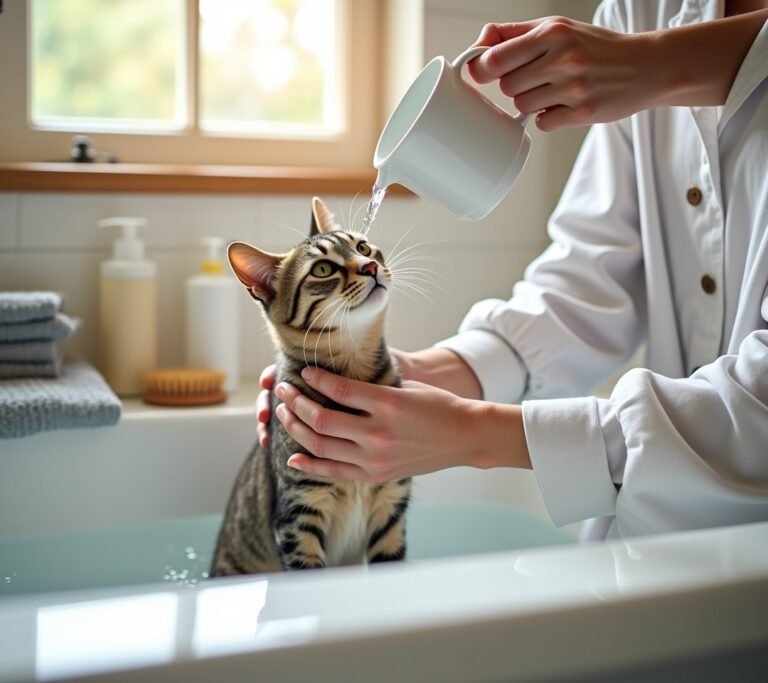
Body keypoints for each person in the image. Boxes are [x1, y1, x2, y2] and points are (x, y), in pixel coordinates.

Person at [258, 0, 768, 541]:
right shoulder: (642, 12)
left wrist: (475, 433)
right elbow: (586, 282)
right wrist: (436, 371)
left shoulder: (639, 34)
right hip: (656, 546)